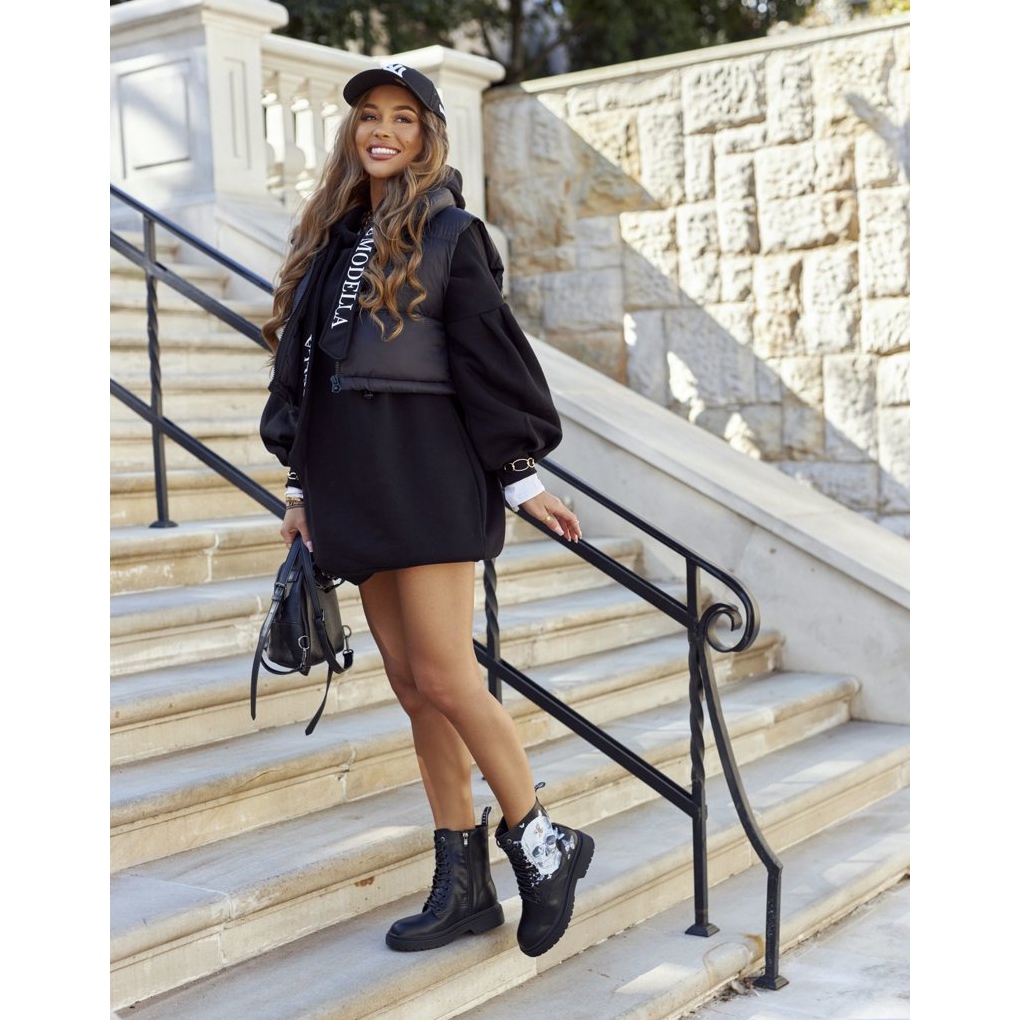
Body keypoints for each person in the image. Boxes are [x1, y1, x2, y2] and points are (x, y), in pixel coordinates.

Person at [258, 63, 594, 959]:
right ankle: (463, 882)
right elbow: (304, 374)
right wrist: (300, 488)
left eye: (404, 118)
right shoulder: (332, 239)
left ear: (427, 136)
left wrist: (521, 475)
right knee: (412, 687)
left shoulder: (451, 234)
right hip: (350, 482)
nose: (383, 130)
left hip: (428, 474)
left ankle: (544, 842)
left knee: (446, 675)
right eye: (370, 116)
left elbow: (490, 360)